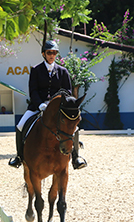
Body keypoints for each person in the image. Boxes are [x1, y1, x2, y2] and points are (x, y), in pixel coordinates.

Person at [8, 40, 87, 170]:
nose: (52, 55)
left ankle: (76, 158)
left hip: (57, 108)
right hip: (37, 106)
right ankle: (19, 157)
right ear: (44, 54)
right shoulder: (36, 70)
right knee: (20, 125)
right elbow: (33, 90)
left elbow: (67, 92)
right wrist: (40, 104)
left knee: (75, 128)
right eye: (49, 53)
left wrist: (57, 104)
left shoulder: (63, 71)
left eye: (54, 53)